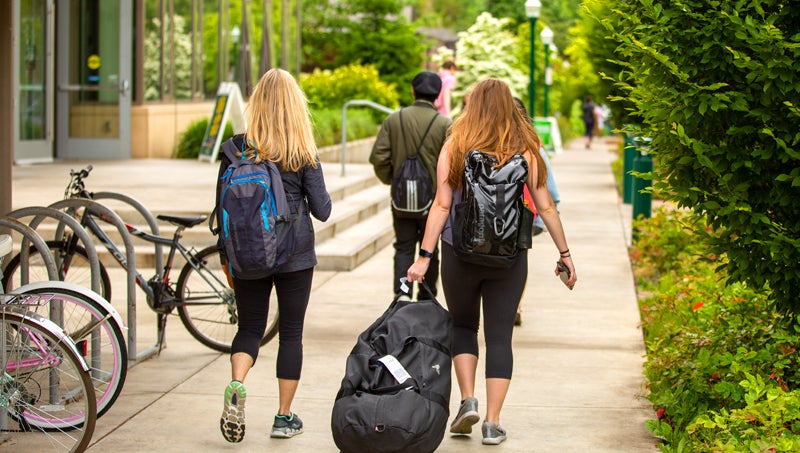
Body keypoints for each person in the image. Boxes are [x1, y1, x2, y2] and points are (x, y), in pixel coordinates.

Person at [406, 78, 577, 446]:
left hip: (459, 252)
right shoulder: (527, 148)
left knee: (464, 326)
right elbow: (545, 205)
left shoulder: (456, 144)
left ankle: (467, 400)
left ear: (472, 105)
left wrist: (424, 256)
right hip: (510, 257)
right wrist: (564, 254)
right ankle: (493, 422)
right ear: (507, 106)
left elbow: (441, 204)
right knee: (500, 337)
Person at [217, 68, 332, 443]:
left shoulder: (235, 148)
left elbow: (220, 210)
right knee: (291, 335)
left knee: (249, 329)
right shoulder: (301, 150)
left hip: (247, 254)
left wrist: (226, 257)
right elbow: (323, 209)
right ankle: (284, 418)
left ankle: (237, 383)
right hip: (295, 255)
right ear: (295, 105)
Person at [369, 71, 452, 300]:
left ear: (412, 91)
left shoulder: (394, 120)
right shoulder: (445, 124)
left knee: (403, 246)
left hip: (402, 199)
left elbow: (378, 156)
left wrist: (393, 180)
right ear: (438, 96)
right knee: (431, 250)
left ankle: (402, 295)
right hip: (435, 201)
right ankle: (426, 297)